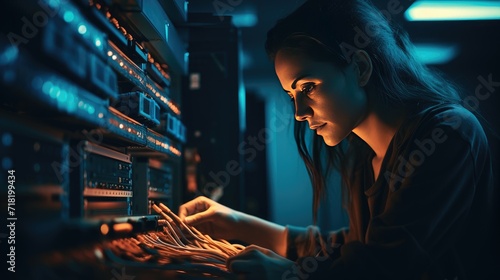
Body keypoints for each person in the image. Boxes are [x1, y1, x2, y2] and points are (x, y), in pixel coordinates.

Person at [178, 0, 498, 279]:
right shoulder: (364, 155)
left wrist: (287, 274)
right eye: (292, 94)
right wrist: (235, 222)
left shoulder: (448, 133)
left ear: (359, 67)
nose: (300, 112)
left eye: (308, 86)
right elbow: (354, 249)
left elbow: (386, 267)